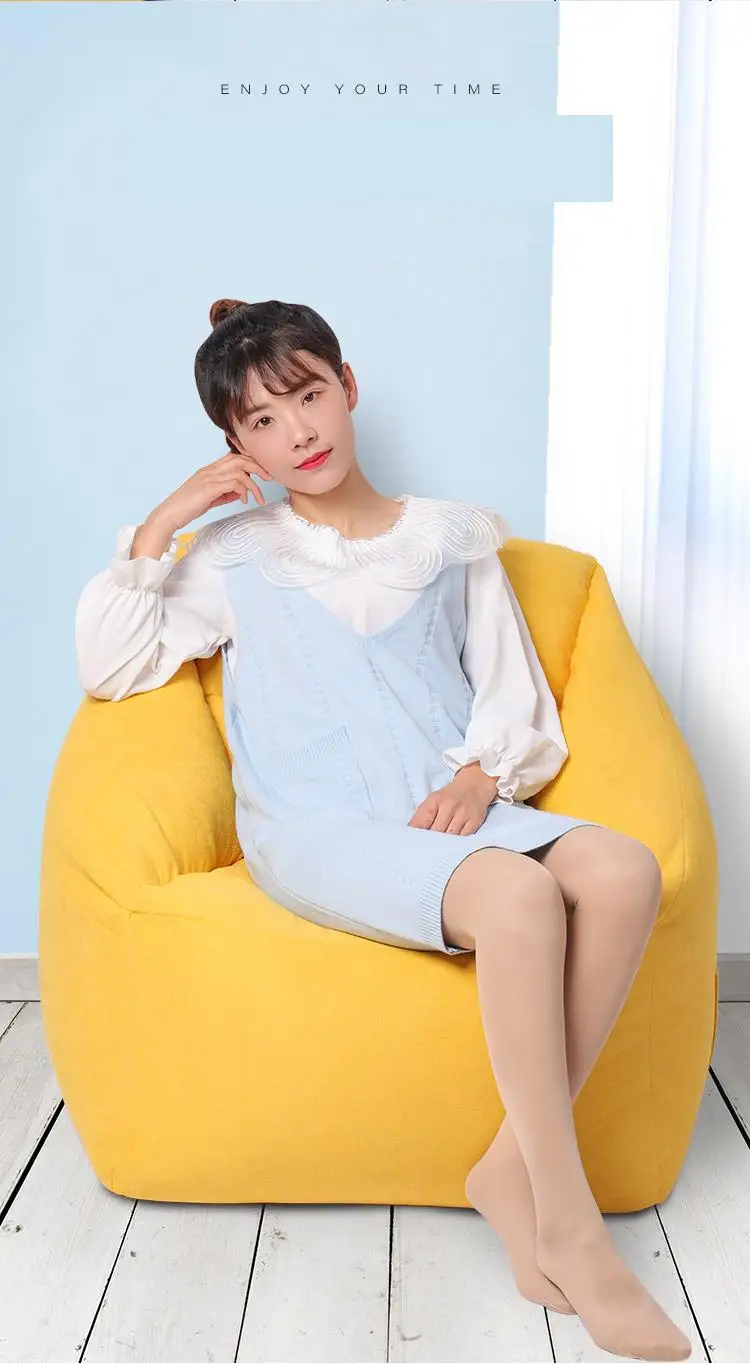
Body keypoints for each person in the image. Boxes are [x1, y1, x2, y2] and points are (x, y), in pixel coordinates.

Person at [74, 298, 690, 1362]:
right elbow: (111, 662)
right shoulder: (232, 555)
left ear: (348, 386)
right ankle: (570, 1221)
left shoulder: (449, 538)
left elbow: (512, 692)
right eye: (263, 421)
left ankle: (506, 1168)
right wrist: (164, 520)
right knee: (521, 894)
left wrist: (479, 774)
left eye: (309, 395)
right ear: (236, 445)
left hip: (446, 809)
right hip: (318, 827)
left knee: (626, 868)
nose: (299, 432)